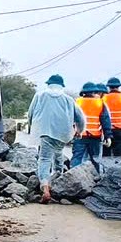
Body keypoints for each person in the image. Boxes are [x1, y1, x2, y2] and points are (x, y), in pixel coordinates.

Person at [25, 74, 86, 203]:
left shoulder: (40, 96)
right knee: (58, 153)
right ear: (61, 86)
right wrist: (79, 131)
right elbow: (80, 118)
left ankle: (45, 187)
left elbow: (30, 113)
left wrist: (32, 127)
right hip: (62, 134)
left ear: (49, 84)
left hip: (45, 132)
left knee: (44, 158)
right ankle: (59, 179)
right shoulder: (68, 99)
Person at [72, 82, 112, 171]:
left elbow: (71, 118)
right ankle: (95, 176)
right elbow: (105, 121)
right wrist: (108, 136)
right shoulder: (100, 103)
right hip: (95, 136)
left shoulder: (77, 102)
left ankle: (73, 175)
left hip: (80, 136)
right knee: (95, 160)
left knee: (77, 158)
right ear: (94, 92)